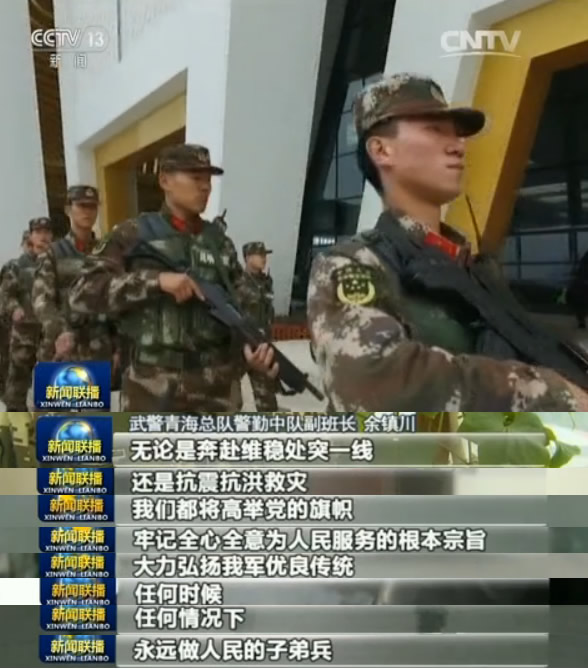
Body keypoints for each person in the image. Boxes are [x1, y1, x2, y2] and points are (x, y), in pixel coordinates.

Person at [307, 73, 588, 410]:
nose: (458, 146)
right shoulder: (353, 264)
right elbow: (373, 384)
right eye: (435, 130)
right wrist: (550, 393)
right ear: (381, 150)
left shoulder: (472, 267)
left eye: (457, 134)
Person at [68, 143, 277, 411]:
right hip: (151, 387)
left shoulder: (219, 242)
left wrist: (251, 354)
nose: (206, 187)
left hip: (217, 389)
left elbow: (241, 308)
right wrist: (155, 282)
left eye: (208, 179)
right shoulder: (133, 233)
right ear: (165, 180)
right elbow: (81, 293)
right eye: (195, 177)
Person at [32, 186, 117, 369]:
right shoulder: (52, 253)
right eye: (81, 206)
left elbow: (114, 299)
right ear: (68, 209)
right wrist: (60, 331)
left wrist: (119, 344)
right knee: (63, 389)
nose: (87, 212)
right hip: (62, 348)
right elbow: (42, 300)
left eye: (92, 206)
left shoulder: (105, 252)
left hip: (99, 348)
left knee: (97, 389)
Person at [3, 218, 54, 410]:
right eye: (38, 232)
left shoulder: (56, 263)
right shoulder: (17, 266)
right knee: (17, 385)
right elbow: (6, 295)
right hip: (25, 333)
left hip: (50, 335)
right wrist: (14, 308)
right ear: (31, 236)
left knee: (52, 385)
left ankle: (47, 423)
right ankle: (16, 425)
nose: (43, 237)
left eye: (46, 232)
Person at [240, 242, 278, 410]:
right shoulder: (238, 282)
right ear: (248, 258)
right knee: (227, 396)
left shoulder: (267, 281)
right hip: (239, 346)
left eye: (265, 254)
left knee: (267, 398)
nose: (264, 258)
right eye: (259, 254)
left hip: (261, 346)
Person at [0, 232, 31, 399]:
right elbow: (6, 295)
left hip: (38, 328)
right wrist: (15, 309)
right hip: (14, 327)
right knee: (10, 369)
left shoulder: (48, 265)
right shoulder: (13, 267)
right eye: (28, 243)